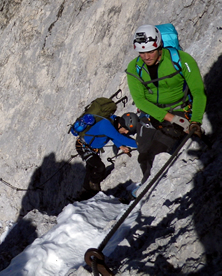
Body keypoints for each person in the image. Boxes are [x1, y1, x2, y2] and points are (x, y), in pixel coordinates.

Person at [126, 24, 207, 183]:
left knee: (157, 153)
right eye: (142, 52)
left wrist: (195, 120)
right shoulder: (135, 68)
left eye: (150, 51)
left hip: (179, 110)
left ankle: (152, 187)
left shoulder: (182, 60)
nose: (147, 56)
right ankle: (147, 186)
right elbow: (140, 100)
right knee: (143, 157)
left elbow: (198, 91)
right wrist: (170, 118)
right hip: (151, 114)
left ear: (159, 46)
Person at [75, 113, 138, 199]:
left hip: (89, 147)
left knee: (91, 168)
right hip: (83, 146)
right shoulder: (106, 125)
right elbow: (118, 137)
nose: (126, 132)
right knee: (99, 167)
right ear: (121, 124)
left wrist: (121, 146)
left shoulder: (112, 122)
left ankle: (84, 193)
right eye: (126, 129)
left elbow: (113, 136)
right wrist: (139, 144)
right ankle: (93, 190)